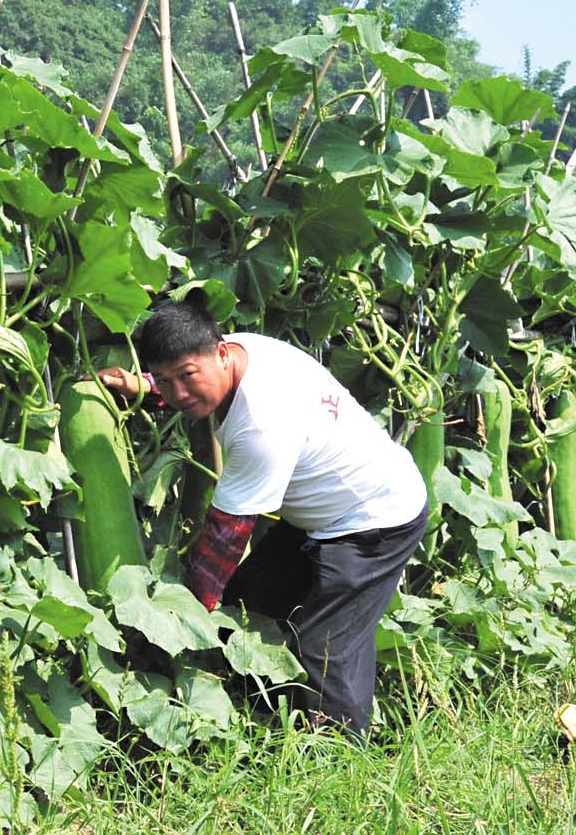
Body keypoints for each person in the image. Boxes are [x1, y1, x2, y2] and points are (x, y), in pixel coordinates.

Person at [96, 299, 429, 739]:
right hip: (328, 509)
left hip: (374, 520)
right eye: (165, 379)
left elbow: (223, 543)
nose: (177, 393)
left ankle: (344, 762)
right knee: (254, 599)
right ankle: (268, 724)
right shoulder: (240, 350)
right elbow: (190, 383)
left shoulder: (261, 426)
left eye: (186, 377)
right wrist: (146, 388)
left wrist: (169, 620)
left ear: (218, 354)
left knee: (326, 646)